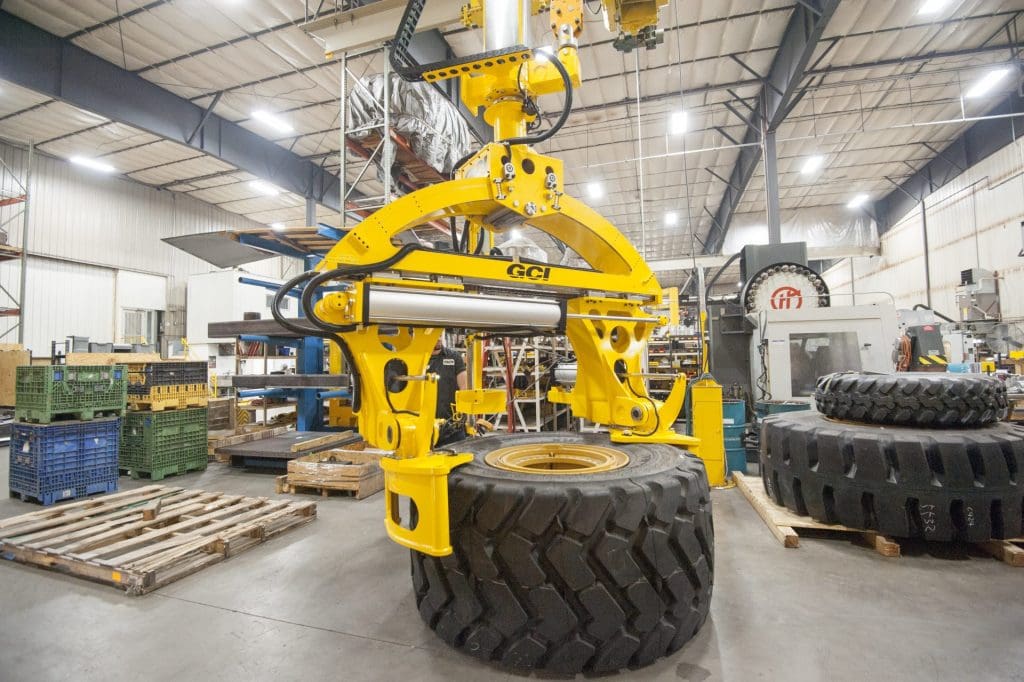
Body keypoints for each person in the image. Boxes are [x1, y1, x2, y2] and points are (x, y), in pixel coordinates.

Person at [428, 337, 468, 445]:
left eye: (440, 334)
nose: (438, 337)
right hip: (425, 428)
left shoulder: (454, 357)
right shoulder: (416, 359)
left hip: (452, 428)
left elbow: (464, 389)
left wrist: (468, 418)